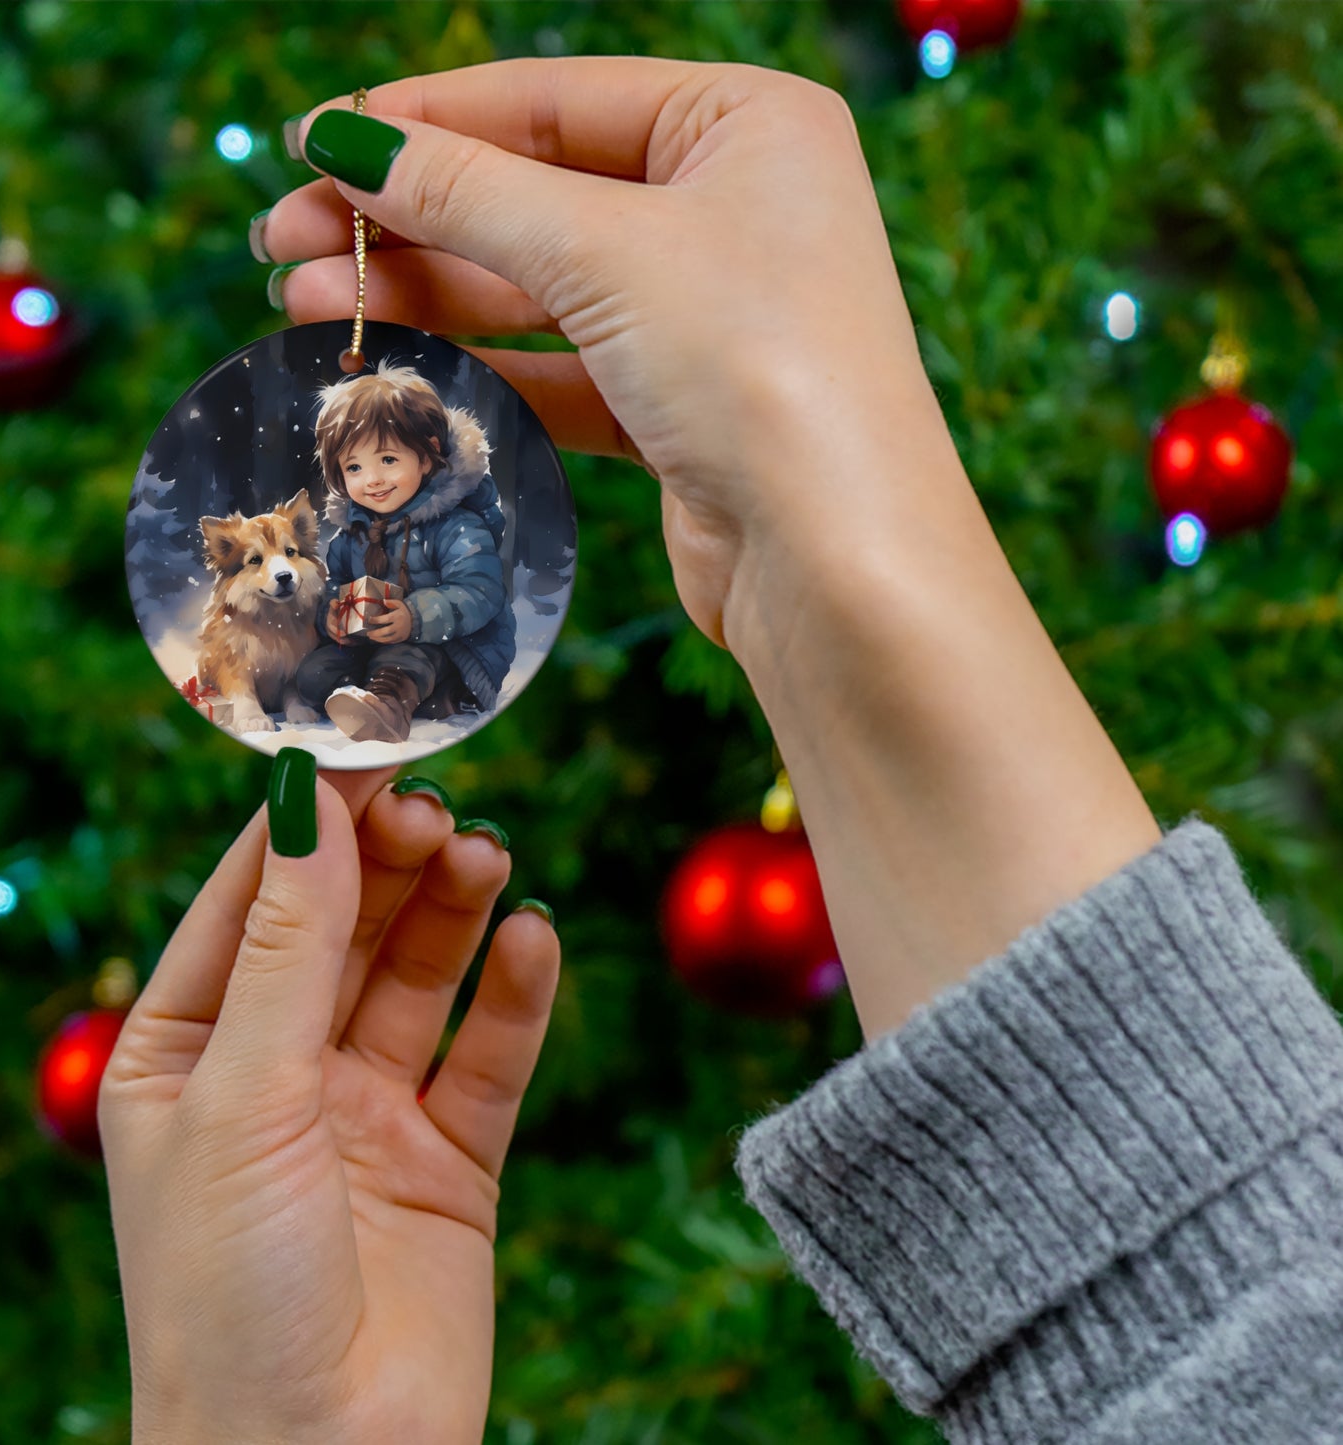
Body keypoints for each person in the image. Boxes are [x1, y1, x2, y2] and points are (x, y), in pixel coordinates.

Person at [98, 56, 1343, 1445]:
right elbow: (1239, 1331)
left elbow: (1240, 1334)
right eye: (362, 470)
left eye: (392, 467)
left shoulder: (441, 521)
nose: (374, 485)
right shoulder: (305, 527)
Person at [296, 363, 517, 744]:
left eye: (388, 460)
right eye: (354, 466)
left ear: (427, 455)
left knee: (405, 659)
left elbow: (482, 590)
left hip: (453, 646)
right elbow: (336, 584)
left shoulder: (455, 525)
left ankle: (391, 710)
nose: (373, 479)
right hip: (374, 643)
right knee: (315, 673)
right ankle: (367, 697)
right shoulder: (353, 534)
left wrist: (414, 617)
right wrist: (332, 615)